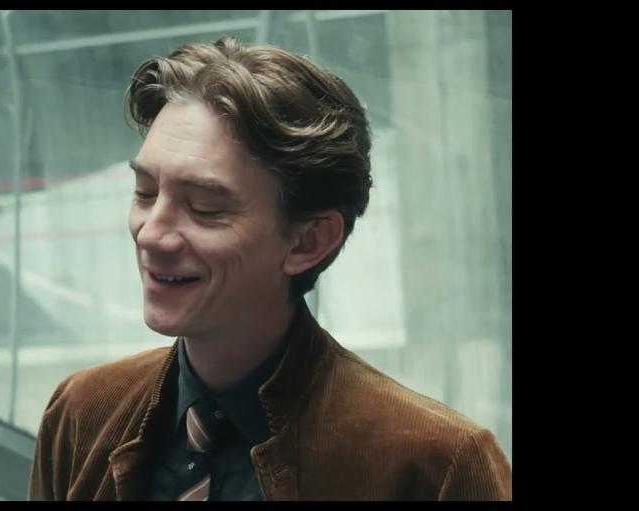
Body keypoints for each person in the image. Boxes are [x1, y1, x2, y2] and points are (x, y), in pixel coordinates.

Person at [28, 36, 511, 501]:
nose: (151, 234)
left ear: (308, 241)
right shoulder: (82, 413)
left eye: (204, 207)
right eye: (145, 192)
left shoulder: (436, 467)